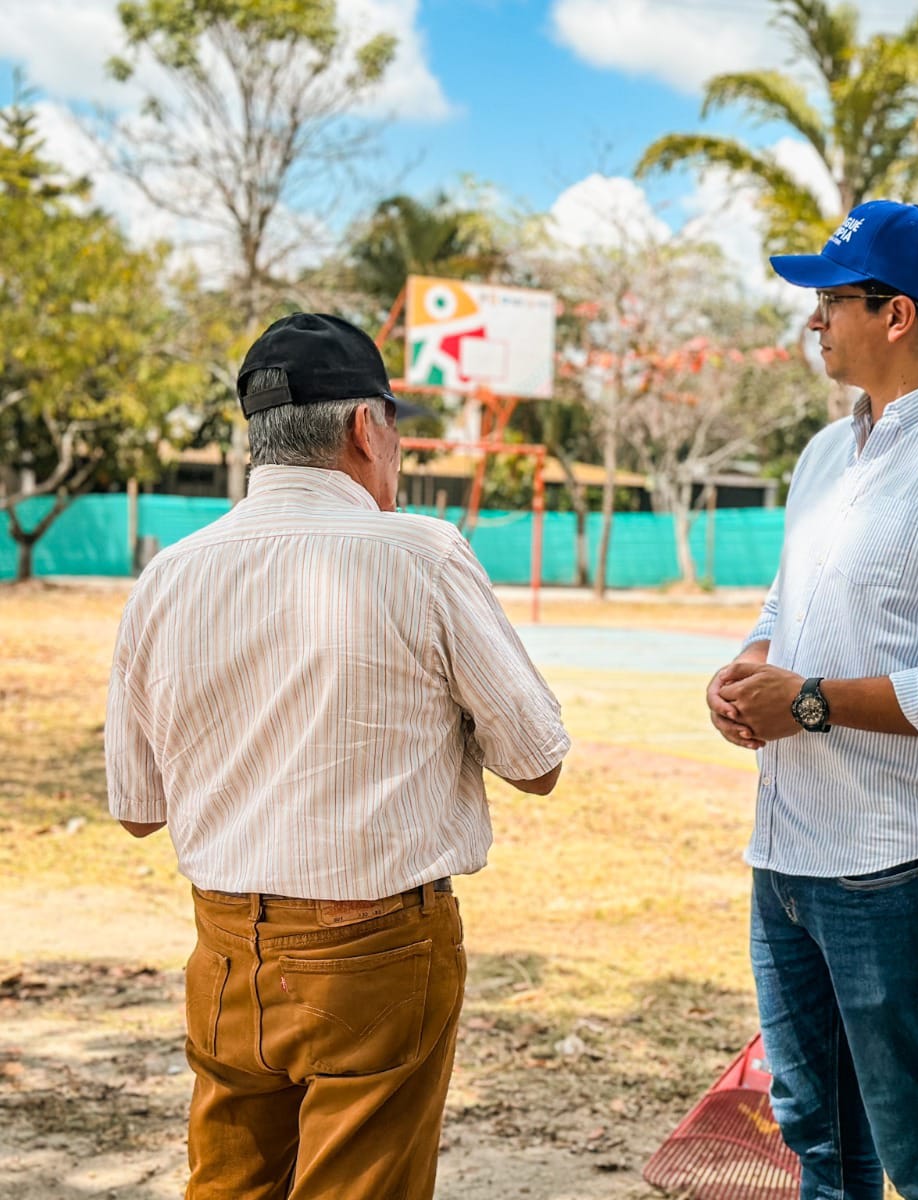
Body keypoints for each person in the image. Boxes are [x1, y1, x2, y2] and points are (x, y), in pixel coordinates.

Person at [105, 313, 570, 1200]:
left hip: (225, 949)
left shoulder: (169, 573)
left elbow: (136, 808)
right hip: (377, 953)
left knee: (228, 1184)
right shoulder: (423, 554)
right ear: (368, 429)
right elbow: (538, 759)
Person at [704, 200, 918, 1200]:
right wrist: (744, 676)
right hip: (787, 854)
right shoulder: (827, 454)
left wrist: (807, 701)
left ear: (896, 313)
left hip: (899, 867)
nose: (812, 320)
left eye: (829, 300)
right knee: (819, 1146)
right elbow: (785, 610)